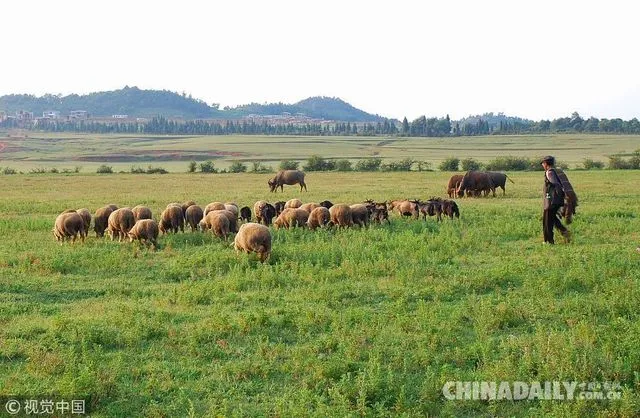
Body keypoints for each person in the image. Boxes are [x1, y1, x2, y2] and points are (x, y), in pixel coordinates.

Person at [541, 155, 571, 244]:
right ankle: (565, 232)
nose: (542, 165)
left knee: (547, 222)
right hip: (555, 200)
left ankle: (548, 241)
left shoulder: (549, 172)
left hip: (552, 201)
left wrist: (558, 196)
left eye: (543, 163)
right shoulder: (555, 171)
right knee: (552, 218)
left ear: (546, 163)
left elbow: (556, 184)